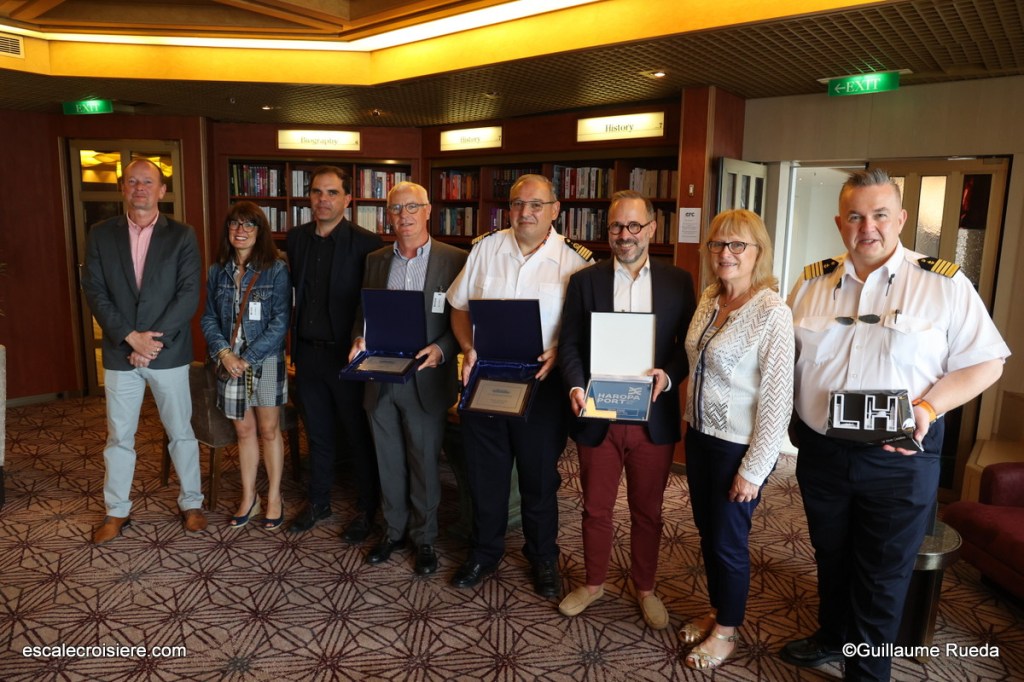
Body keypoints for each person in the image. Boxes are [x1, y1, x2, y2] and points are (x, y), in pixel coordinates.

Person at [781, 169, 1010, 681]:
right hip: (822, 452)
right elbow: (786, 361)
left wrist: (928, 408)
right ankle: (832, 637)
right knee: (831, 555)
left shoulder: (943, 284)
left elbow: (987, 362)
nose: (869, 227)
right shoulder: (813, 282)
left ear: (901, 219)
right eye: (857, 216)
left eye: (880, 214)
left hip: (900, 458)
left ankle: (867, 674)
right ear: (840, 222)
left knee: (882, 577)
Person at [447, 173, 594, 596]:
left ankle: (543, 558)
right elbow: (458, 308)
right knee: (484, 474)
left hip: (541, 385)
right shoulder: (485, 250)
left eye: (535, 204)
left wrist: (561, 349)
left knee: (538, 479)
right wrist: (467, 346)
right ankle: (484, 551)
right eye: (516, 204)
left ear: (555, 210)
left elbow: (584, 329)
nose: (525, 212)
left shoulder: (575, 263)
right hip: (487, 378)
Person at [557, 190, 695, 629]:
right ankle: (594, 582)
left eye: (635, 226)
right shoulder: (585, 280)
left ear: (653, 228)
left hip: (653, 418)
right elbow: (570, 346)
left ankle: (645, 586)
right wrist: (576, 385)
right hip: (598, 413)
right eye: (617, 226)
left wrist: (667, 377)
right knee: (595, 509)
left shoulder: (678, 281)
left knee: (647, 511)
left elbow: (686, 349)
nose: (625, 235)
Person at [680, 209, 794, 669]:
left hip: (738, 447)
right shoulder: (709, 298)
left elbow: (777, 398)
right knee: (708, 533)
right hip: (699, 437)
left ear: (758, 253)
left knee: (729, 540)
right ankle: (717, 607)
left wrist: (755, 467)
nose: (725, 254)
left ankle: (727, 631)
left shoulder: (772, 312)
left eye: (737, 245)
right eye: (717, 244)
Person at [82, 157, 206, 543]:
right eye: (133, 181)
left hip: (167, 352)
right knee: (119, 436)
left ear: (162, 190)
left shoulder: (182, 235)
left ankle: (191, 502)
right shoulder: (101, 234)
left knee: (180, 432)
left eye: (147, 182)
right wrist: (128, 337)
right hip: (121, 353)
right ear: (123, 187)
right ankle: (116, 511)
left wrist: (150, 341)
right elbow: (95, 292)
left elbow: (189, 294)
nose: (140, 188)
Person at [348, 181, 467, 575]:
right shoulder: (377, 259)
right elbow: (363, 314)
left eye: (412, 207)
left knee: (424, 465)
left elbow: (464, 320)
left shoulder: (455, 260)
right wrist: (358, 338)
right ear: (388, 216)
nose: (404, 217)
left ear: (428, 210)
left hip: (426, 380)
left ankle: (425, 538)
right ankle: (393, 531)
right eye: (396, 210)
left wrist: (444, 349)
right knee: (389, 462)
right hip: (380, 380)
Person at [285, 166, 383, 541]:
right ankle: (319, 500)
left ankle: (366, 508)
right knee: (319, 433)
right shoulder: (296, 239)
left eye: (331, 193)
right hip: (308, 355)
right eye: (316, 192)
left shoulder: (367, 243)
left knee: (357, 434)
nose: (322, 199)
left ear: (347, 199)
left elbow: (371, 304)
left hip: (348, 357)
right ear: (308, 197)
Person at [200, 202, 291, 530]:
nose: (240, 231)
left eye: (248, 225)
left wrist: (246, 359)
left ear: (260, 231)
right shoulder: (217, 270)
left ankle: (275, 497)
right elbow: (208, 317)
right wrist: (225, 354)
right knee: (244, 431)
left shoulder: (276, 268)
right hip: (229, 361)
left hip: (264, 360)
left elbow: (281, 322)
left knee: (268, 430)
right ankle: (249, 497)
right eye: (235, 224)